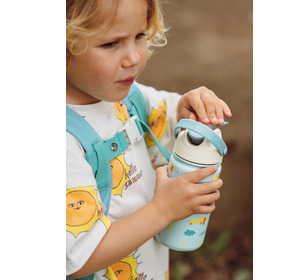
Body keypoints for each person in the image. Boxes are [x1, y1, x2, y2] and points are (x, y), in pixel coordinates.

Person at [66, 0, 232, 279]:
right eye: (111, 44)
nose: (133, 57)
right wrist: (163, 210)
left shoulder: (127, 98)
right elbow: (76, 259)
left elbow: (168, 116)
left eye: (139, 36)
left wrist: (186, 110)